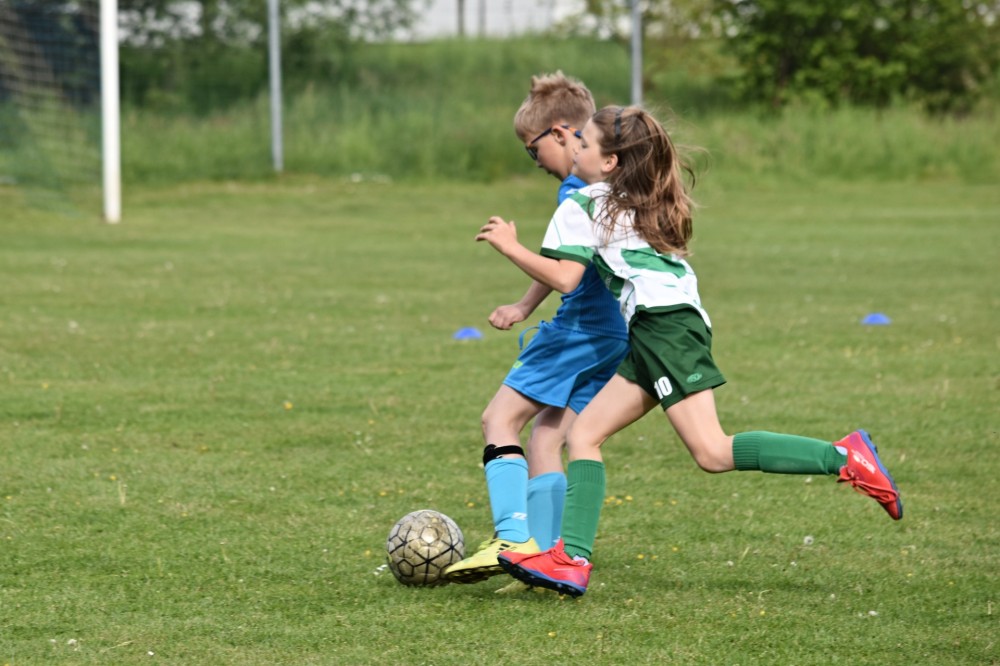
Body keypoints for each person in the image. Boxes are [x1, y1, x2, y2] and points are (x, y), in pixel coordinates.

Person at [474, 105, 903, 597]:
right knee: (585, 435)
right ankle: (571, 558)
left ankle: (843, 456)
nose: (576, 149)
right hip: (665, 325)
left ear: (610, 162)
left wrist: (510, 245)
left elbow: (567, 278)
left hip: (663, 327)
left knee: (712, 451)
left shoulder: (584, 203)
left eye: (585, 143)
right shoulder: (641, 198)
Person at [443, 74, 630, 586]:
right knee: (547, 437)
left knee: (499, 420)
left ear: (562, 133)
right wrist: (524, 305)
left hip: (578, 330)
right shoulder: (613, 186)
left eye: (533, 149)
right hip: (615, 336)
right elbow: (579, 263)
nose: (536, 161)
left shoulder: (575, 192)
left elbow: (566, 274)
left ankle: (511, 536)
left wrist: (510, 246)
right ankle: (543, 557)